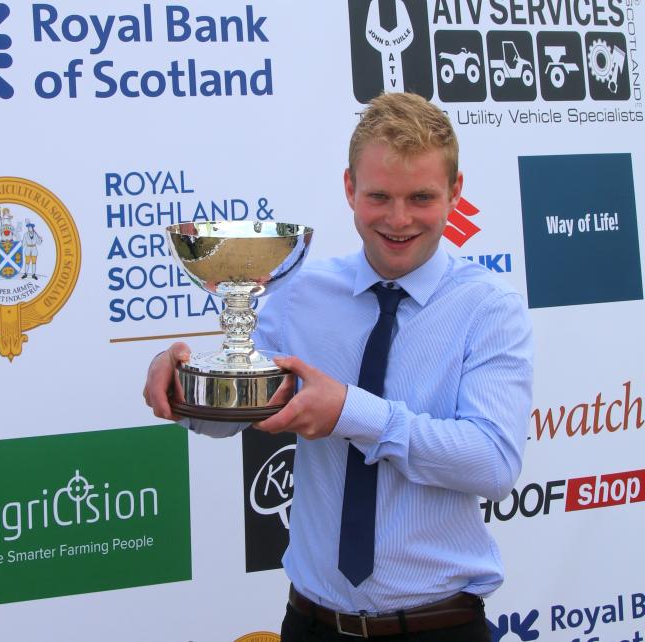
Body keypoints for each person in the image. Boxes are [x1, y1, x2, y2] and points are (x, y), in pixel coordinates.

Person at [144, 92, 533, 641]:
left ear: (455, 192)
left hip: (438, 626)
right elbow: (230, 410)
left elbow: (492, 463)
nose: (399, 219)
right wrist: (181, 384)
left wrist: (351, 412)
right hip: (310, 624)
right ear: (350, 189)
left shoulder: (489, 308)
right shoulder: (300, 293)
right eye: (379, 196)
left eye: (421, 197)